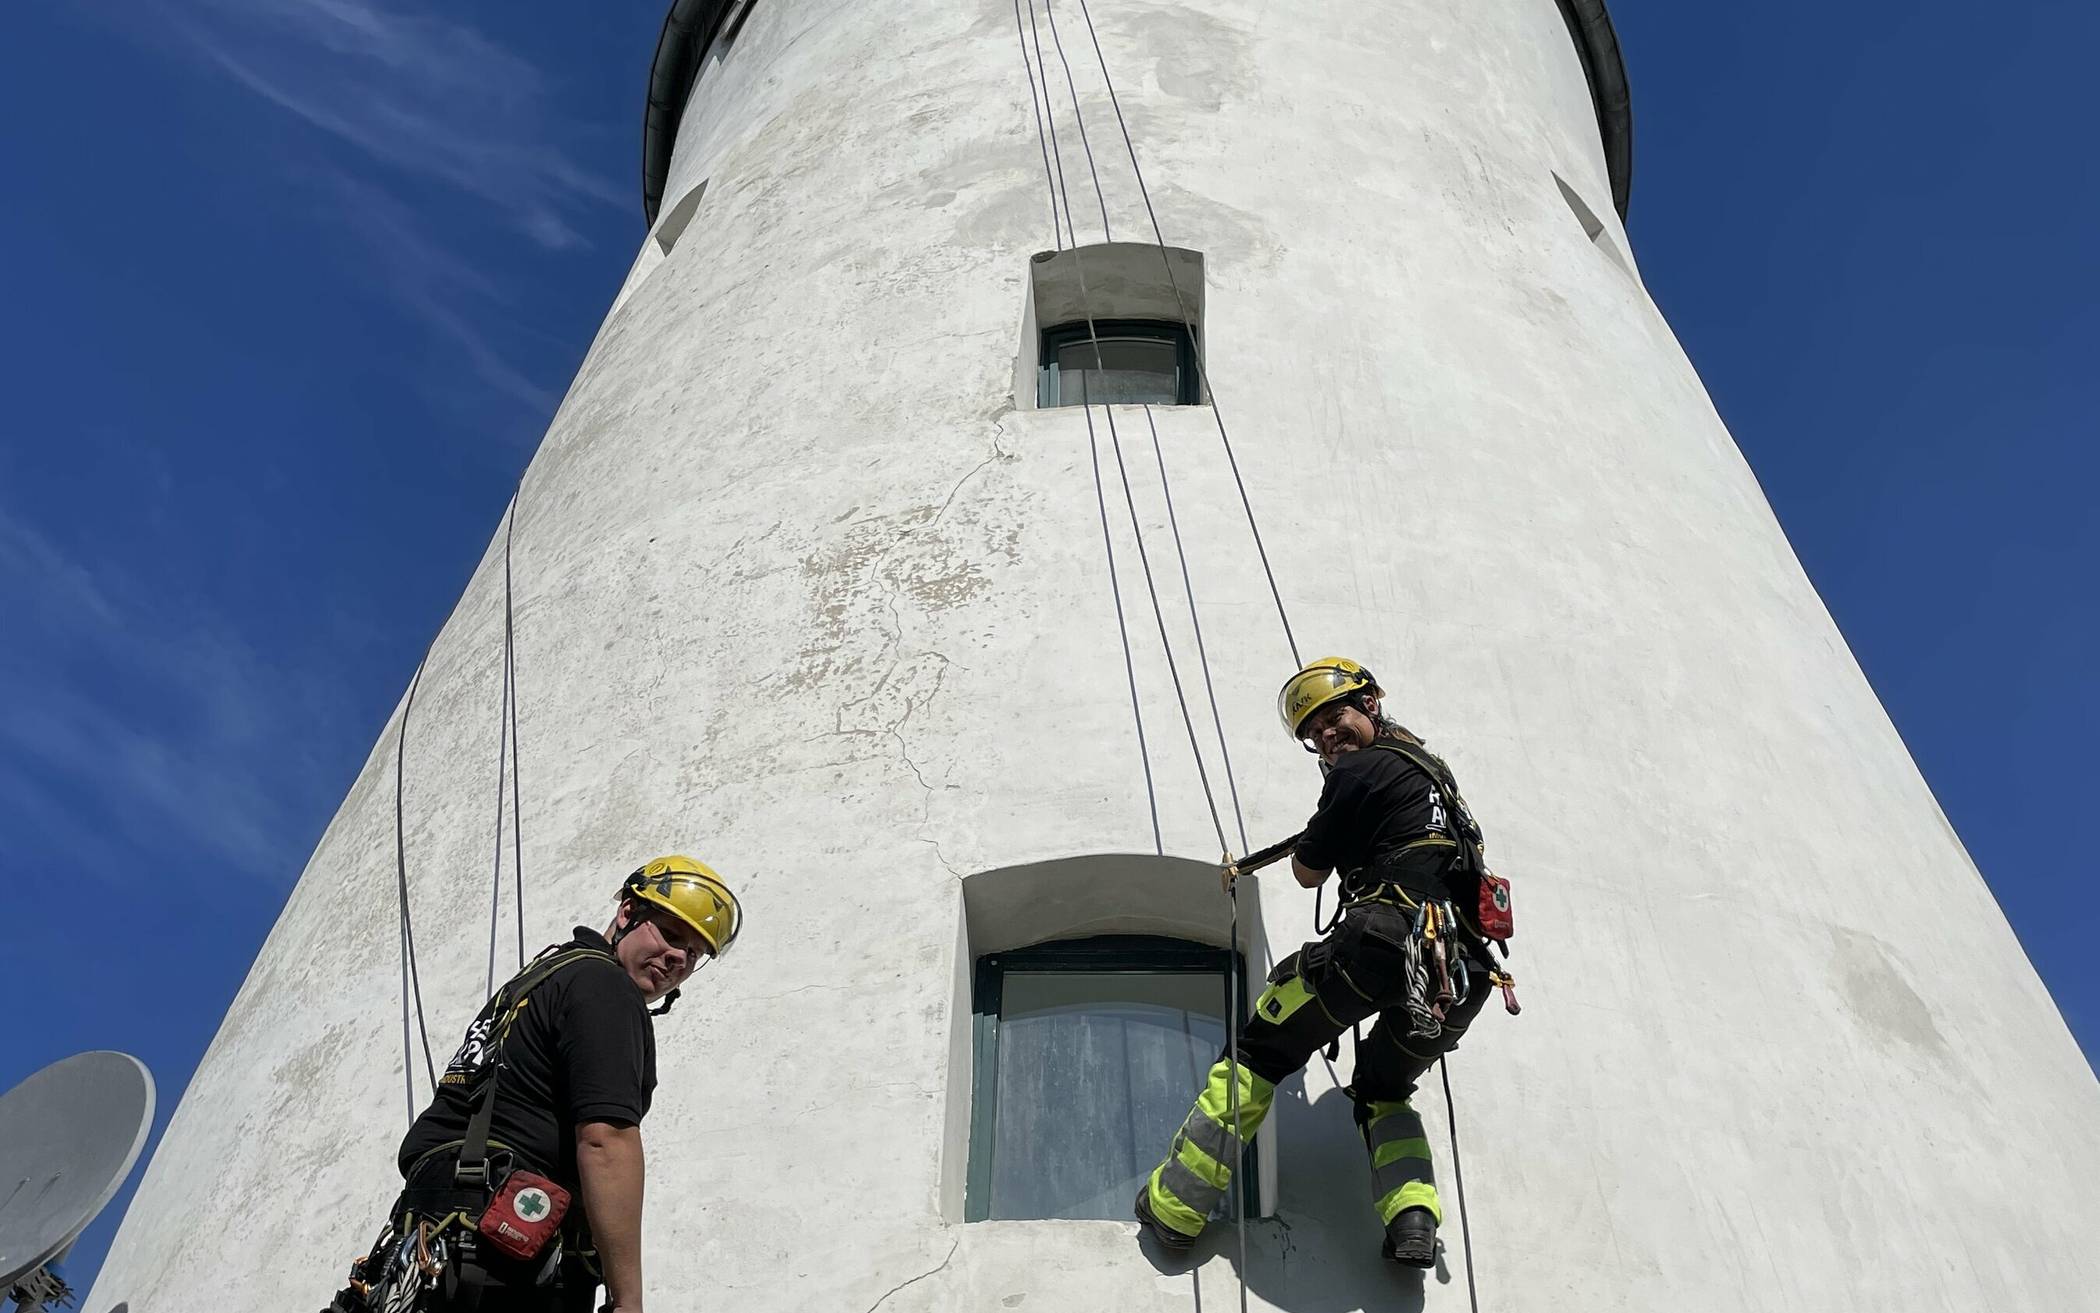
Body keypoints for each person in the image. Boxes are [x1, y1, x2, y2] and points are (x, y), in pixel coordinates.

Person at [1135, 658, 1510, 1266]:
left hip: (1379, 948)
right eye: (1315, 732)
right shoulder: (1435, 778)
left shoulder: (1359, 771)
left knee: (1261, 1050)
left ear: (1371, 705)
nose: (1327, 735)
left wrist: (1334, 796)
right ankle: (1412, 1219)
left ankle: (1176, 1208)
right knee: (1385, 1090)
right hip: (1458, 977)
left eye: (1335, 716)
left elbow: (1308, 870)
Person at [327, 856, 742, 1313]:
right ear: (627, 912)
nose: (679, 958)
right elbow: (606, 1141)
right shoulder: (604, 987)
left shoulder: (540, 980)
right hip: (502, 1264)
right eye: (671, 934)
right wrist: (628, 1300)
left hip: (431, 1239)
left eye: (695, 954)